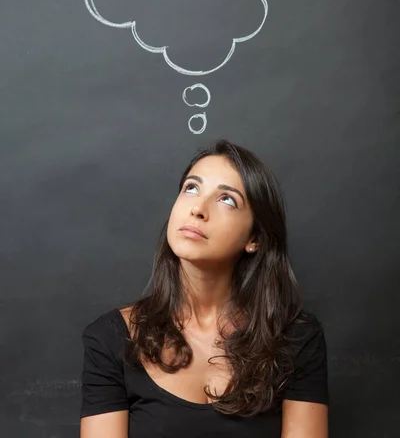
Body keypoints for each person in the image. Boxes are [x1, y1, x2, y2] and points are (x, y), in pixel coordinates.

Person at [80, 139, 329, 437]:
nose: (198, 208)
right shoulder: (110, 339)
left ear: (255, 239)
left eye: (226, 199)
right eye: (191, 188)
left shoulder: (297, 339)